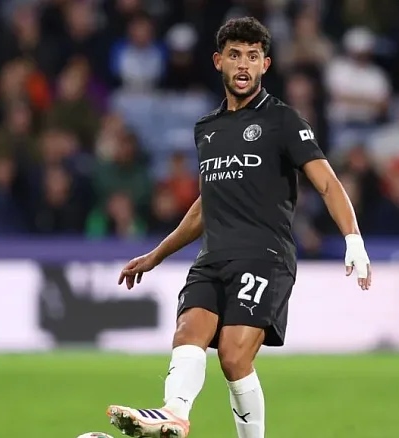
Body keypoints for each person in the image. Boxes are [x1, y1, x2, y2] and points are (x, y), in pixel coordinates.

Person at [106, 17, 372, 438]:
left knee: (233, 356)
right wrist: (156, 255)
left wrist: (353, 239)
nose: (243, 64)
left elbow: (327, 182)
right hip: (212, 256)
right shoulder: (206, 129)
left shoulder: (283, 120)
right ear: (219, 62)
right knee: (187, 332)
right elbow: (205, 206)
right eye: (235, 55)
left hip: (265, 257)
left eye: (252, 56)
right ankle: (173, 414)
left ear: (265, 64)